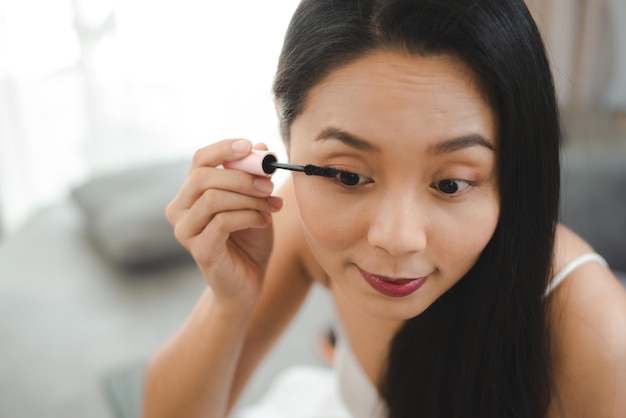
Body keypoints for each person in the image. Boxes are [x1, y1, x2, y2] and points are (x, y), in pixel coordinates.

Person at [141, 0, 626, 417]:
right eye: (349, 177)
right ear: (285, 134)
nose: (396, 237)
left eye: (451, 183)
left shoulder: (597, 335)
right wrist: (229, 303)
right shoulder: (290, 217)